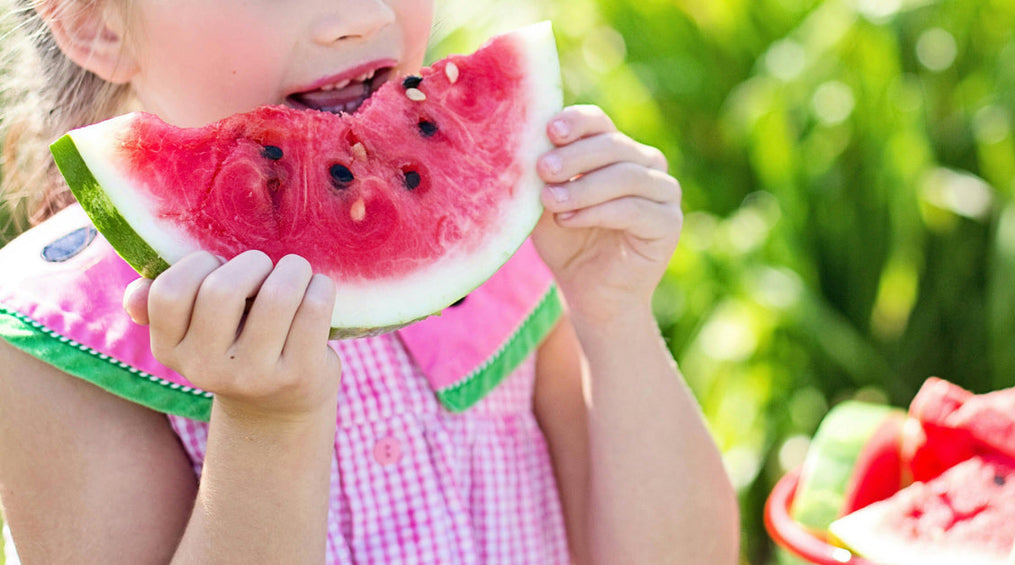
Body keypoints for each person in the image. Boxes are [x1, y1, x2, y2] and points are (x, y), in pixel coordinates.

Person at [0, 1, 739, 563]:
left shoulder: (506, 239)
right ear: (94, 22)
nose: (360, 19)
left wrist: (615, 315)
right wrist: (267, 427)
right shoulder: (57, 342)